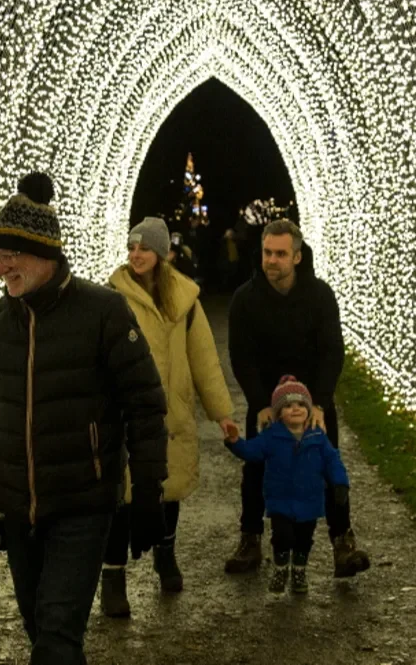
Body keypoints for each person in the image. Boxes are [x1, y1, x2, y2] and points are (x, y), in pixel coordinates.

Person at [0, 172, 168, 665]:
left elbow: (144, 404)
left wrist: (146, 493)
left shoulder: (103, 312)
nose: (1, 266)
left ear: (45, 253)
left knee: (56, 640)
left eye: (10, 253)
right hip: (19, 511)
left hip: (83, 503)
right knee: (41, 629)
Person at [100, 217, 238, 617]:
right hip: (126, 412)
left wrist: (222, 413)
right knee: (121, 498)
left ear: (164, 254)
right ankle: (113, 576)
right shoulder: (113, 297)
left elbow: (204, 359)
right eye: (132, 248)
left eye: (144, 248)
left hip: (171, 410)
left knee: (169, 489)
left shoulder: (185, 300)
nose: (136, 255)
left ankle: (166, 555)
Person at [224, 219, 371, 578]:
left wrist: (320, 401)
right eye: (267, 253)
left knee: (326, 465)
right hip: (268, 403)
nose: (272, 261)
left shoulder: (320, 296)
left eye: (280, 254)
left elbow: (332, 351)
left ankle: (342, 541)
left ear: (297, 256)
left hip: (313, 403)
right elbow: (241, 357)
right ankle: (251, 538)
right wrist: (261, 403)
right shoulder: (245, 300)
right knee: (256, 468)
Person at [224, 377, 349, 594]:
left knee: (303, 539)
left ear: (308, 409)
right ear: (279, 412)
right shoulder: (272, 436)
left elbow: (332, 461)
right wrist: (235, 442)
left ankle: (299, 571)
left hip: (310, 500)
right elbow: (251, 452)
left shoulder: (318, 437)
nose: (296, 410)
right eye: (288, 406)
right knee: (282, 536)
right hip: (280, 499)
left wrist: (340, 483)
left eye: (301, 405)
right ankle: (281, 567)